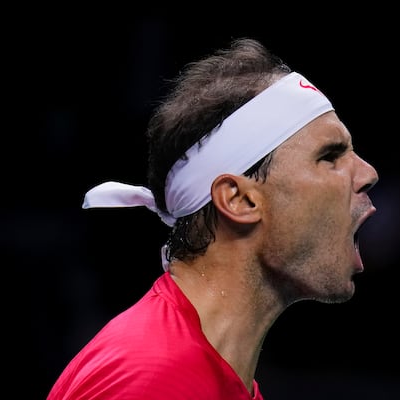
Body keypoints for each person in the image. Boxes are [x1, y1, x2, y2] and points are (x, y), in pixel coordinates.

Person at [47, 37, 379, 400]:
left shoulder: (191, 373)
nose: (368, 173)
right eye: (330, 156)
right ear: (238, 200)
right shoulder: (153, 380)